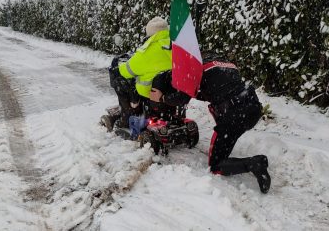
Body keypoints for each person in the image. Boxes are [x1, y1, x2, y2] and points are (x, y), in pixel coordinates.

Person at [150, 58, 271, 194]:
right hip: (252, 109)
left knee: (216, 165)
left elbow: (182, 99)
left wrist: (161, 98)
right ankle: (231, 151)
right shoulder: (214, 62)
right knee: (228, 136)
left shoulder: (191, 73)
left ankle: (255, 163)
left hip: (233, 115)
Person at [102, 17, 172, 131]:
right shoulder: (175, 46)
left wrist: (117, 69)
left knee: (120, 81)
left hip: (149, 92)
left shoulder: (149, 50)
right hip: (170, 91)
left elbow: (128, 70)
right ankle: (137, 106)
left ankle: (126, 116)